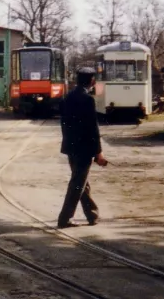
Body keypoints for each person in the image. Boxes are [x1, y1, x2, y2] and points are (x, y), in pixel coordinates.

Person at [57, 67, 107, 228]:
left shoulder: (67, 97)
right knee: (77, 183)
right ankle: (65, 218)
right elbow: (93, 128)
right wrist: (98, 152)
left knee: (81, 181)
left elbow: (63, 124)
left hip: (71, 146)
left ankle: (92, 214)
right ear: (92, 81)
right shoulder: (88, 100)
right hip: (84, 148)